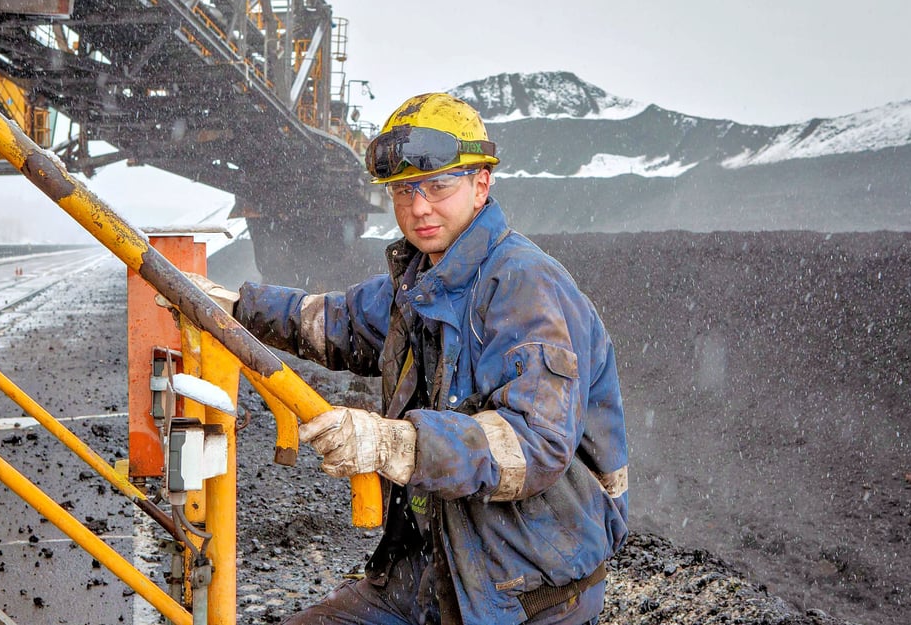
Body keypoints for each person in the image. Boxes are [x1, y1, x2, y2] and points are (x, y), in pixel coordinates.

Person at [213, 92, 628, 624]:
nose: (419, 207)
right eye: (404, 190)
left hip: (525, 591)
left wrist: (395, 443)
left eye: (438, 186)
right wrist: (233, 307)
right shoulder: (423, 282)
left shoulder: (523, 285)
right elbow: (338, 322)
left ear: (481, 184)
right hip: (431, 569)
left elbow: (534, 444)